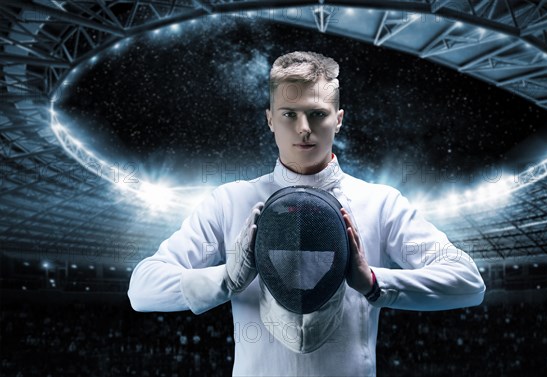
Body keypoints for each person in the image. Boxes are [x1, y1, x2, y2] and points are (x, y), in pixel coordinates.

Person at [128, 51, 486, 376]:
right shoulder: (229, 202)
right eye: (289, 114)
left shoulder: (380, 203)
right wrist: (227, 278)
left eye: (317, 114)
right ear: (270, 119)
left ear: (339, 119)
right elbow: (142, 289)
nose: (303, 128)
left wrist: (374, 283)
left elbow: (468, 282)